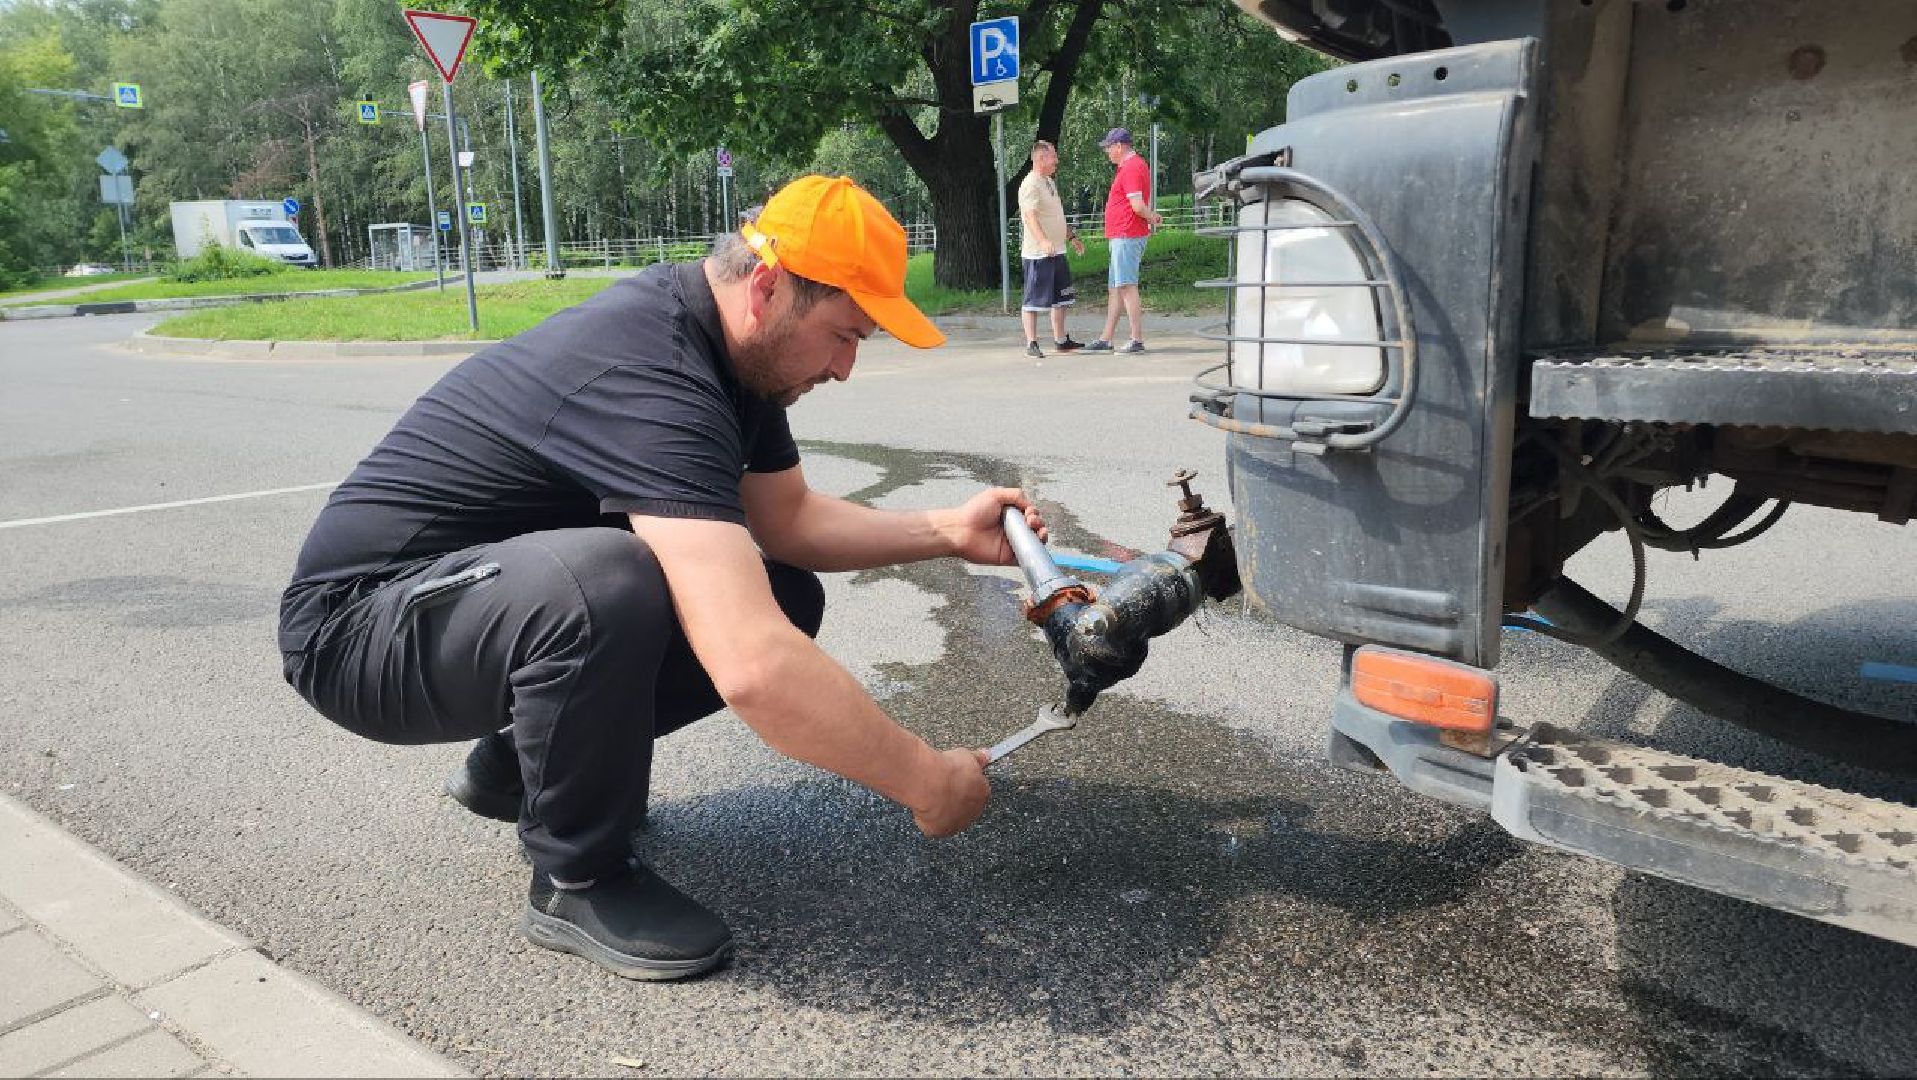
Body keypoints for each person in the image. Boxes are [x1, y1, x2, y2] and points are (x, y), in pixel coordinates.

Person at [277, 175, 1048, 982]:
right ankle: (578, 876)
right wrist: (926, 780)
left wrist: (945, 533)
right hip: (357, 636)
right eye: (842, 336)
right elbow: (752, 668)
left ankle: (515, 768)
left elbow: (783, 522)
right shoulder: (650, 372)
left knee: (782, 589)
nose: (845, 367)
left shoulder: (734, 356)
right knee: (609, 582)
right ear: (768, 287)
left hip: (464, 610)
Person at [1082, 128, 1163, 354]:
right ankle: (1106, 339)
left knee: (1127, 286)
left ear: (1119, 146)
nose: (1107, 151)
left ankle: (1136, 339)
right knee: (1116, 289)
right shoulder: (1130, 167)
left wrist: (1151, 217)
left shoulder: (1131, 167)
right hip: (1122, 234)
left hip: (1127, 234)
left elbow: (1137, 206)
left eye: (1109, 147)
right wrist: (1151, 216)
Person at [1016, 139, 1085, 358]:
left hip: (1058, 250)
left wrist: (1071, 236)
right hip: (1038, 253)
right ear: (1041, 158)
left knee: (1061, 298)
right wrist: (1043, 241)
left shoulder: (1048, 182)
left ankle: (1061, 339)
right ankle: (1031, 343)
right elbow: (1030, 216)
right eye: (1053, 155)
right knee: (1033, 300)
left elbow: (1056, 216)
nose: (1057, 160)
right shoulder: (1030, 184)